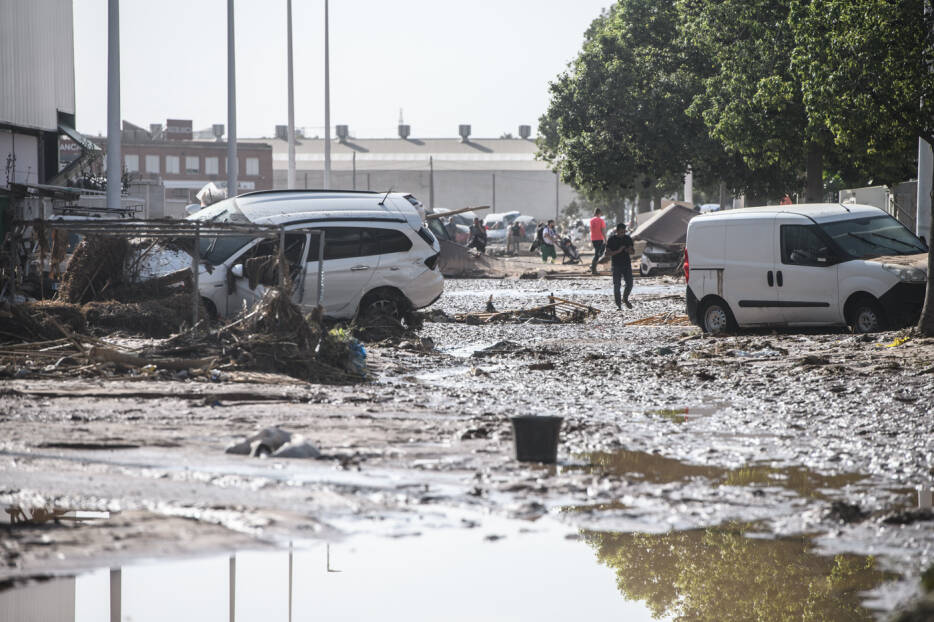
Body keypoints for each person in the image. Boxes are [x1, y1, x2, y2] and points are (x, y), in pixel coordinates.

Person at [602, 222, 634, 310]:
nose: (622, 234)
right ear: (617, 231)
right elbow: (607, 253)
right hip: (616, 265)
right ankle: (619, 305)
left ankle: (625, 298)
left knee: (630, 284)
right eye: (621, 232)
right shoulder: (612, 239)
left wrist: (628, 250)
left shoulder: (628, 238)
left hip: (627, 264)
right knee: (617, 285)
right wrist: (618, 251)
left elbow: (633, 251)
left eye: (624, 232)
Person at [589, 208, 607, 275]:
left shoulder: (591, 220)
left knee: (598, 253)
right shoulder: (601, 220)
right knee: (598, 254)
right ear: (599, 213)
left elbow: (591, 229)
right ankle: (593, 269)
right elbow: (603, 230)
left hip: (593, 239)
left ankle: (593, 266)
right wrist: (605, 239)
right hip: (599, 238)